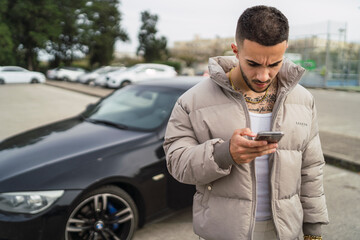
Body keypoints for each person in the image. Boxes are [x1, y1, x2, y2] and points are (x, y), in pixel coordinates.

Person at [163, 5, 329, 240]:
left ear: (285, 51)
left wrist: (313, 229)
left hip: (283, 232)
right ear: (236, 51)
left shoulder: (303, 99)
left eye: (274, 64)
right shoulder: (192, 101)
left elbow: (311, 168)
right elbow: (176, 164)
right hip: (222, 233)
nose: (263, 76)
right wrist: (223, 153)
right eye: (253, 63)